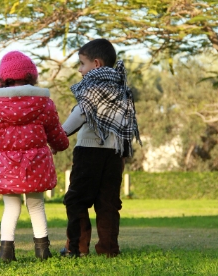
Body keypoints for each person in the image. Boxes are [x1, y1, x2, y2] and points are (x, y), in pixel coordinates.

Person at [0, 51, 69, 262]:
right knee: (36, 206)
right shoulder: (43, 102)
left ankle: (6, 251)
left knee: (11, 208)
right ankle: (42, 250)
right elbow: (55, 131)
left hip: (6, 168)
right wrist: (61, 144)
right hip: (36, 164)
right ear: (32, 76)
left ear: (3, 78)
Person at [59, 39, 141, 257]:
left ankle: (76, 248)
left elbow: (82, 113)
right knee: (108, 203)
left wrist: (58, 136)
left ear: (96, 64)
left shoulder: (93, 86)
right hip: (114, 155)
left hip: (89, 151)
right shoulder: (121, 87)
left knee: (76, 199)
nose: (80, 70)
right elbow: (127, 124)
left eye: (82, 64)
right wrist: (123, 154)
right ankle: (108, 249)